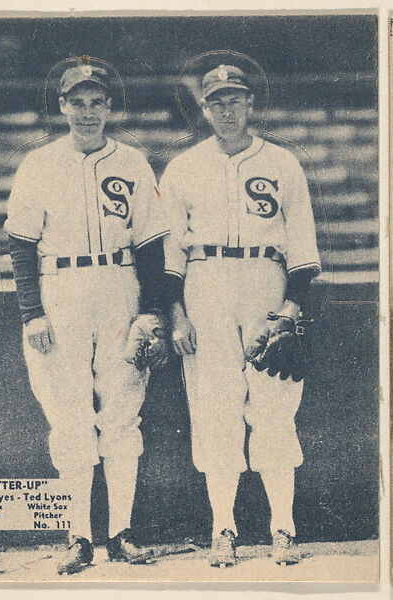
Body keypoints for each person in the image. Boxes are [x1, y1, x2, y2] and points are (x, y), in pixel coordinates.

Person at [5, 59, 169, 574]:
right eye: (78, 101)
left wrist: (152, 312)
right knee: (69, 417)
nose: (88, 111)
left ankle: (120, 530)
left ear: (110, 107)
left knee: (122, 411)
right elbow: (20, 243)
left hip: (120, 285)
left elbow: (151, 245)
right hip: (60, 289)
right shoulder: (39, 163)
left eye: (97, 101)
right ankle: (78, 535)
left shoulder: (134, 162)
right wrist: (31, 312)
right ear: (62, 106)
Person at [160, 62, 321, 567]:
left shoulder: (282, 163)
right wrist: (177, 314)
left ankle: (283, 530)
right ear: (204, 109)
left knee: (274, 407)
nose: (227, 110)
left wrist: (290, 306)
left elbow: (301, 242)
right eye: (217, 102)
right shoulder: (183, 167)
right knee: (214, 408)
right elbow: (170, 252)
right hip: (205, 283)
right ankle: (223, 529)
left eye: (236, 99)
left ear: (250, 104)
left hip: (265, 281)